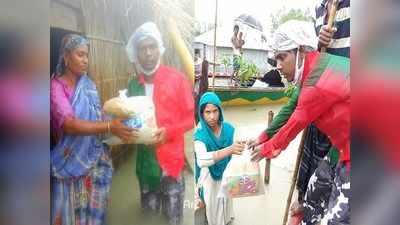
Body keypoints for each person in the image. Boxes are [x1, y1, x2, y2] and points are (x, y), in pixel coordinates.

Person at [250, 20, 350, 225]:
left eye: (282, 57)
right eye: (276, 57)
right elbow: (290, 109)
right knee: (314, 189)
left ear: (302, 51)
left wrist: (265, 150)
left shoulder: (315, 84)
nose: (277, 65)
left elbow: (295, 124)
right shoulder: (315, 68)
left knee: (337, 220)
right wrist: (263, 136)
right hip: (343, 145)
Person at [50, 34, 134, 225]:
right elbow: (69, 124)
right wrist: (109, 125)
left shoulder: (88, 85)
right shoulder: (55, 87)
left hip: (95, 161)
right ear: (65, 56)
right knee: (69, 216)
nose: (86, 60)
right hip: (69, 165)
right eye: (80, 55)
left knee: (94, 211)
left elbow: (98, 117)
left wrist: (118, 121)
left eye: (87, 55)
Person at [125, 22, 195, 225]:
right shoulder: (132, 86)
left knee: (173, 219)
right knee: (148, 217)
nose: (148, 53)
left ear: (159, 49)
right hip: (145, 165)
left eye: (152, 47)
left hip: (171, 164)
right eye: (142, 48)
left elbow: (191, 118)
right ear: (136, 54)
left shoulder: (178, 80)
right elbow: (131, 121)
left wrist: (169, 131)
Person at [194, 92, 245, 225]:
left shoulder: (229, 129)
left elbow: (239, 148)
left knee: (227, 203)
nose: (212, 116)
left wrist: (246, 144)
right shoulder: (200, 133)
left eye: (215, 111)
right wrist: (229, 150)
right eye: (207, 112)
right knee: (212, 207)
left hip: (226, 174)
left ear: (220, 110)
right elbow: (201, 160)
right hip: (209, 177)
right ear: (201, 113)